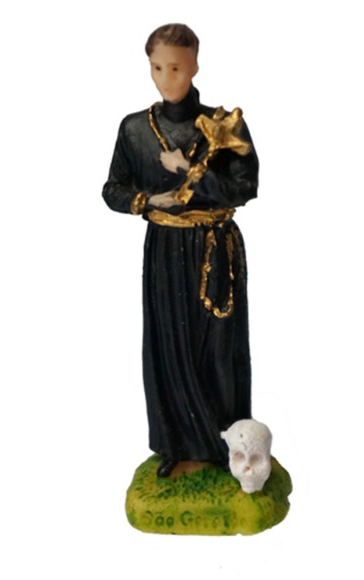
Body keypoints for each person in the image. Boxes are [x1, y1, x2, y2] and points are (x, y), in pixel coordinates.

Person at [102, 23, 259, 477]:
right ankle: (176, 442)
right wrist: (148, 200)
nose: (166, 78)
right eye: (157, 68)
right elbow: (112, 189)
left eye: (176, 68)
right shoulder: (135, 128)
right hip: (165, 249)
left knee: (218, 347)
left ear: (194, 66)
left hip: (214, 247)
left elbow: (244, 187)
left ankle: (228, 446)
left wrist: (189, 169)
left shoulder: (223, 126)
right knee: (168, 343)